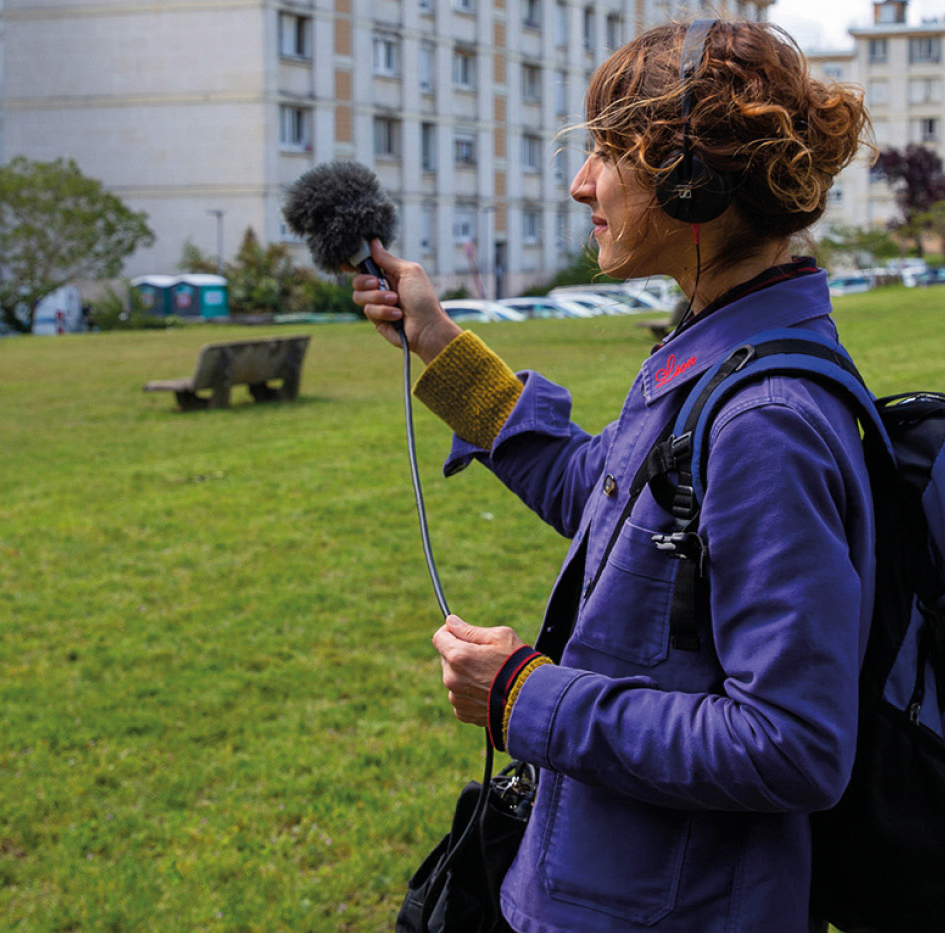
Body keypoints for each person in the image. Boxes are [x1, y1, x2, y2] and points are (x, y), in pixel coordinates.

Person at [353, 18, 870, 932]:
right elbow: (600, 489)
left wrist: (524, 696)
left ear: (690, 177)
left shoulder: (764, 420)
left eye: (606, 152)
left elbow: (792, 745)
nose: (580, 183)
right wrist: (436, 344)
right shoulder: (719, 355)